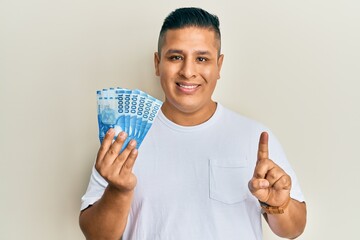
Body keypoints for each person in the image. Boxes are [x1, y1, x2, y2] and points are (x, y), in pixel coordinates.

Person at [79, 7, 306, 240]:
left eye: (202, 59)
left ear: (219, 66)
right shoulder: (122, 139)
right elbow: (96, 236)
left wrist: (279, 204)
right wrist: (119, 191)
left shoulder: (255, 137)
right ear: (157, 64)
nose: (188, 72)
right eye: (175, 57)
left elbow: (294, 229)